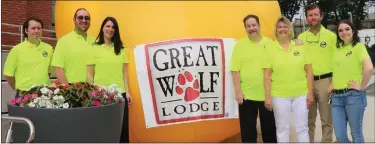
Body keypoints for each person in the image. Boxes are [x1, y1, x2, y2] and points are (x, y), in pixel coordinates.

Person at [263, 16, 314, 142]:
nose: (282, 29)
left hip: (301, 94)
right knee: (282, 129)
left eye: (285, 26)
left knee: (302, 128)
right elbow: (267, 75)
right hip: (279, 95)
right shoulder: (269, 48)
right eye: (279, 27)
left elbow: (309, 71)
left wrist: (310, 93)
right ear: (276, 30)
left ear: (289, 29)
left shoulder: (300, 46)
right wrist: (268, 96)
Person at [230, 14, 277, 143]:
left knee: (270, 131)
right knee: (248, 132)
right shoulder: (240, 45)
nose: (252, 28)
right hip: (247, 95)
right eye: (248, 26)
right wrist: (238, 91)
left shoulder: (270, 44)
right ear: (245, 28)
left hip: (267, 95)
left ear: (259, 25)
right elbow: (235, 70)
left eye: (254, 25)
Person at [87, 17, 132, 143]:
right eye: (107, 26)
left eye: (113, 27)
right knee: (103, 128)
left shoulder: (121, 49)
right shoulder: (93, 48)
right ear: (102, 28)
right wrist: (93, 90)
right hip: (101, 94)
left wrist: (127, 91)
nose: (110, 29)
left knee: (122, 129)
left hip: (119, 94)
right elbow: (90, 74)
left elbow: (125, 72)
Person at [329, 20, 374, 143]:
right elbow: (338, 69)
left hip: (353, 96)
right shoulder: (337, 49)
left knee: (356, 134)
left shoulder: (358, 47)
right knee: (340, 135)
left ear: (353, 31)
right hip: (336, 97)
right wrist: (333, 84)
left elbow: (369, 68)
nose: (344, 32)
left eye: (347, 29)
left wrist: (362, 86)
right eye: (340, 30)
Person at [297, 4, 337, 142]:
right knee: (308, 120)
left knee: (326, 119)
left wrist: (334, 81)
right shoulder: (301, 38)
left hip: (325, 81)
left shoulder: (331, 36)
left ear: (321, 16)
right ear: (307, 18)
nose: (313, 17)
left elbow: (338, 61)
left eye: (315, 14)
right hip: (306, 83)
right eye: (310, 15)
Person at [3, 18, 53, 98]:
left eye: (39, 28)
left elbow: (49, 72)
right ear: (26, 30)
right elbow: (8, 75)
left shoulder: (49, 48)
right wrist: (19, 89)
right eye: (33, 28)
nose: (36, 31)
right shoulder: (16, 49)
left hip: (44, 93)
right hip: (24, 94)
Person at [51, 8, 95, 84]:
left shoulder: (95, 41)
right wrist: (68, 90)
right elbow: (58, 68)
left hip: (92, 91)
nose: (84, 20)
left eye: (87, 18)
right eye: (80, 17)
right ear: (74, 20)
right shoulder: (63, 41)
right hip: (72, 89)